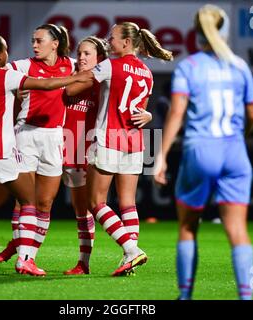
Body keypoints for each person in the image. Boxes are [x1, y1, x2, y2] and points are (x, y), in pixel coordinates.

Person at [0, 27, 91, 277]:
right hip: (24, 135)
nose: (34, 45)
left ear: (55, 44)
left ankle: (24, 254)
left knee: (45, 202)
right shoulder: (24, 66)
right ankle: (23, 255)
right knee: (26, 201)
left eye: (39, 41)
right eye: (32, 40)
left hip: (54, 136)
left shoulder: (71, 64)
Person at [153, 4, 253, 300]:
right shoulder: (240, 65)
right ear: (224, 32)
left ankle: (185, 296)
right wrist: (240, 137)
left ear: (196, 34)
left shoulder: (190, 66)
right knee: (238, 230)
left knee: (188, 226)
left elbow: (176, 113)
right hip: (234, 152)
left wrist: (160, 155)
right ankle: (246, 296)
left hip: (200, 151)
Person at [67, 22, 172, 276]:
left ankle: (131, 249)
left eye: (112, 38)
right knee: (128, 203)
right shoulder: (147, 73)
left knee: (96, 202)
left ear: (126, 42)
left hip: (108, 138)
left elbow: (74, 87)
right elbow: (140, 112)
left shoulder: (109, 66)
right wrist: (147, 115)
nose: (108, 41)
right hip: (135, 142)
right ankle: (128, 259)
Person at [61, 36, 109, 275]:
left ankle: (84, 262)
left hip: (81, 149)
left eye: (87, 53)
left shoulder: (99, 80)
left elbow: (69, 89)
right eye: (79, 53)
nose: (81, 57)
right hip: (57, 145)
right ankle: (23, 253)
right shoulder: (71, 70)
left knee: (83, 210)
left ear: (99, 58)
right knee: (32, 203)